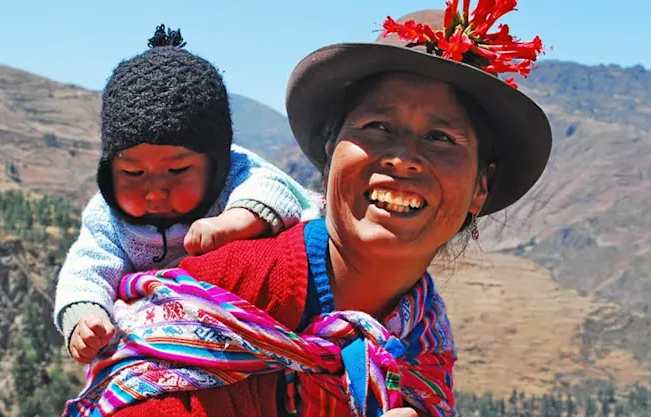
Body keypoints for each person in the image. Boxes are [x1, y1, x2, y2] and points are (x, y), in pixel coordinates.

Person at [62, 1, 551, 416]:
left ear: (480, 188)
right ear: (329, 151)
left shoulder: (425, 348)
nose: (403, 159)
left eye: (441, 137)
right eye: (377, 126)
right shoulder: (228, 286)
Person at [53, 25, 321, 365]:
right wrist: (84, 318)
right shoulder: (107, 217)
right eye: (133, 173)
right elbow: (87, 267)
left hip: (252, 327)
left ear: (216, 164)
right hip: (166, 344)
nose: (155, 190)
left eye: (177, 171)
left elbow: (271, 191)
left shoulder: (237, 174)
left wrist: (232, 223)